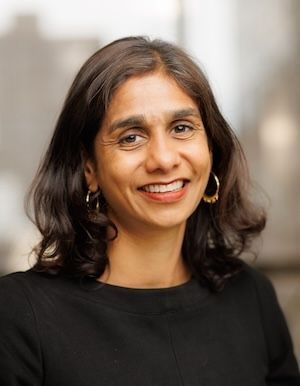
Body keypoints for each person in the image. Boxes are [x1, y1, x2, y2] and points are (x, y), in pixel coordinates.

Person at [0, 36, 299, 386]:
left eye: (182, 128)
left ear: (211, 147)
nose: (164, 159)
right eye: (131, 137)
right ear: (88, 167)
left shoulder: (252, 298)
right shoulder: (20, 315)